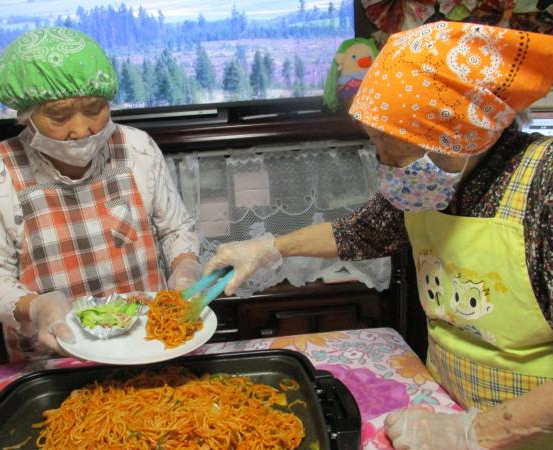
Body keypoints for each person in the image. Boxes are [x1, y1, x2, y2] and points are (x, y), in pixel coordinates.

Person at [204, 21, 553, 449]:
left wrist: (474, 433)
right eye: (375, 145)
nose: (385, 164)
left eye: (397, 147)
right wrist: (268, 248)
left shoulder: (544, 186)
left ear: (464, 134)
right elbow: (359, 233)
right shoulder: (433, 186)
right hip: (446, 414)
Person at [0, 27, 201, 362]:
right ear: (26, 115)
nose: (81, 129)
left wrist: (185, 267)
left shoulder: (137, 149)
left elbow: (175, 229)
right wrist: (38, 307)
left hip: (148, 342)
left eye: (94, 109)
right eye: (59, 116)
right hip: (53, 353)